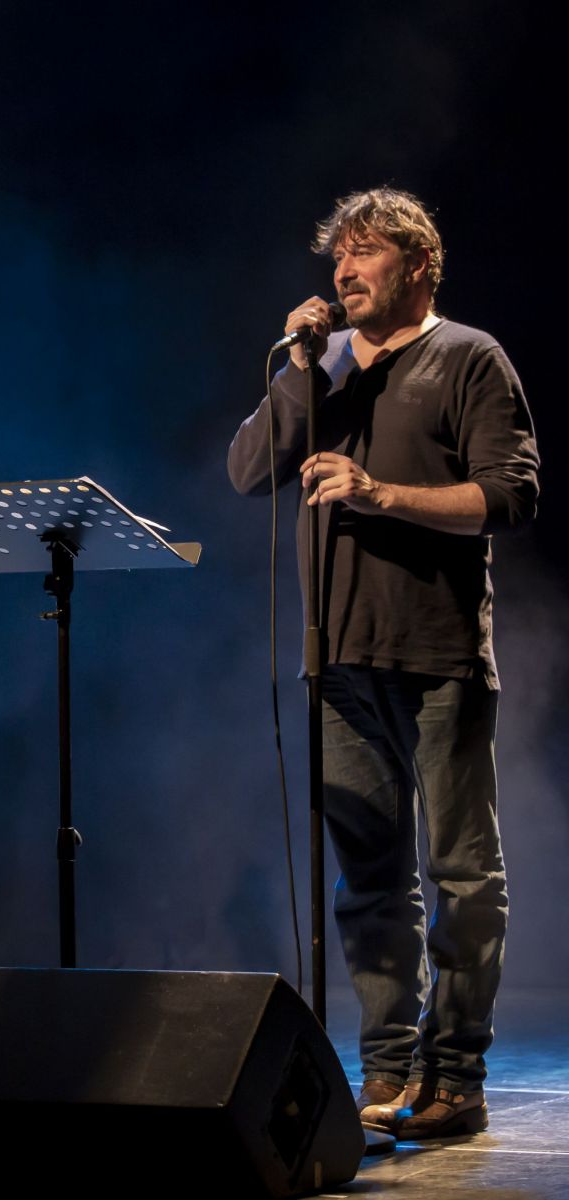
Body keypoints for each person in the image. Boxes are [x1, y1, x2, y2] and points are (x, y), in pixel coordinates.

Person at [227, 189, 539, 1138]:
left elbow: (510, 497)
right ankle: (386, 1073)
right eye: (337, 259)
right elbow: (247, 472)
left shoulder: (469, 358)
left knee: (461, 878)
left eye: (365, 256)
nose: (344, 274)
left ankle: (456, 1078)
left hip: (438, 657)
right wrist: (299, 367)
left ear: (417, 266)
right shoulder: (319, 369)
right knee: (368, 881)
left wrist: (379, 491)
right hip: (340, 665)